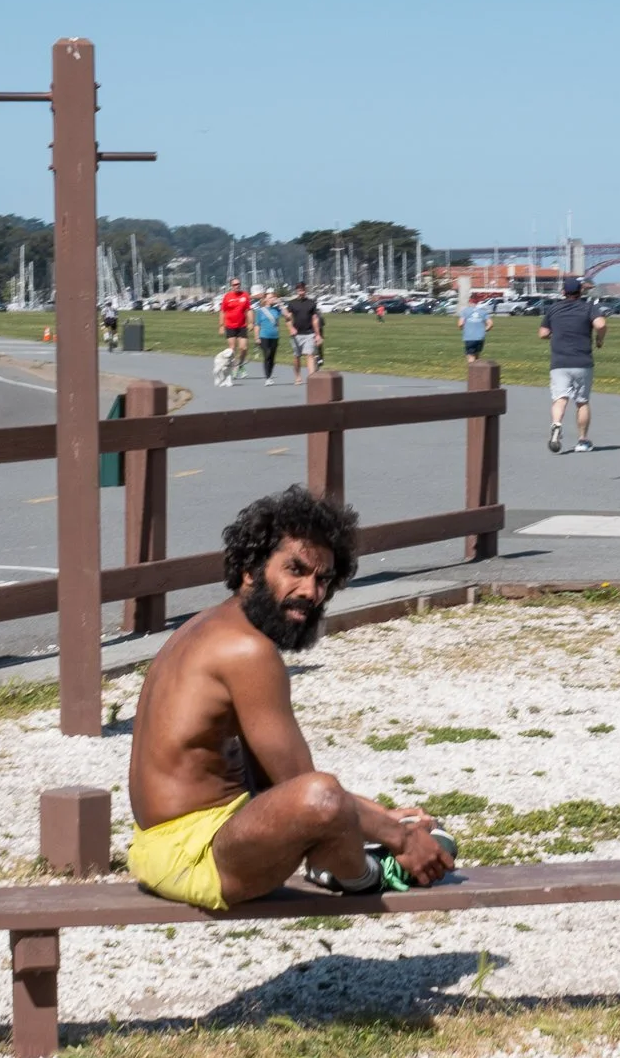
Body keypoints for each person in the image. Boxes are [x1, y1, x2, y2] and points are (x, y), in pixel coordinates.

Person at [126, 486, 455, 911]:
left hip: (168, 846)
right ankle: (363, 875)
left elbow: (270, 781)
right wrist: (402, 836)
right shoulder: (248, 651)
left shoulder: (209, 627)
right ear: (250, 569)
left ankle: (343, 856)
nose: (309, 591)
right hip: (195, 856)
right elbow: (305, 791)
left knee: (327, 800)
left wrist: (383, 815)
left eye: (322, 580)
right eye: (295, 570)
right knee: (320, 794)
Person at [539, 274, 606, 452]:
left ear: (563, 292)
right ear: (580, 291)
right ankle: (583, 440)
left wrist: (557, 334)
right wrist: (599, 340)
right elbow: (600, 325)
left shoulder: (554, 309)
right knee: (582, 402)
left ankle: (556, 424)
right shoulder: (588, 307)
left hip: (559, 361)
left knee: (560, 398)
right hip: (582, 361)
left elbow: (543, 333)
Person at [284, 281, 322, 384]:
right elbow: (287, 319)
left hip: (309, 333)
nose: (301, 292)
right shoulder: (292, 303)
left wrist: (317, 334)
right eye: (299, 290)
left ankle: (311, 377)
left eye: (303, 290)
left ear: (306, 290)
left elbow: (315, 319)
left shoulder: (311, 303)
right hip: (296, 334)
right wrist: (291, 328)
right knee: (297, 356)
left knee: (309, 355)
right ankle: (297, 376)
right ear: (297, 291)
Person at [217, 278, 251, 384]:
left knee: (244, 348)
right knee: (232, 349)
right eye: (235, 284)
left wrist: (251, 322)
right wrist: (221, 325)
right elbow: (222, 311)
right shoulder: (227, 296)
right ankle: (232, 368)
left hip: (242, 325)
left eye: (238, 284)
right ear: (231, 286)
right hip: (230, 325)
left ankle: (240, 365)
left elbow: (249, 310)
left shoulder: (244, 295)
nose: (237, 286)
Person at [253, 288, 283, 381]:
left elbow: (287, 315)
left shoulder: (277, 310)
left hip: (274, 336)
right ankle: (267, 377)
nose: (271, 299)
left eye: (273, 297)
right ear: (265, 299)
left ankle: (269, 373)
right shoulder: (260, 311)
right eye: (269, 298)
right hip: (264, 336)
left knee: (272, 357)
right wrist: (257, 337)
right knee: (267, 354)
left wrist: (280, 303)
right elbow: (257, 325)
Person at [458, 293, 493, 362]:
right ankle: (478, 370)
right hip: (480, 337)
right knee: (477, 355)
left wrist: (463, 330)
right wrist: (484, 330)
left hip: (469, 337)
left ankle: (472, 372)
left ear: (470, 301)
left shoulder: (465, 311)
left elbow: (460, 324)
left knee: (470, 356)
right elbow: (490, 324)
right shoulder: (483, 311)